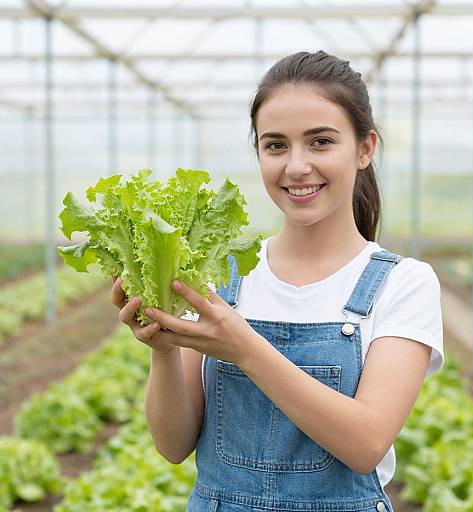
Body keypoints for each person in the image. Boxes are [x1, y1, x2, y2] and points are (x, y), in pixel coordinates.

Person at [111, 50, 444, 512]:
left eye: (321, 142)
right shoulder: (225, 273)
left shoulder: (403, 283)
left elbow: (365, 442)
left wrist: (244, 347)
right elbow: (173, 444)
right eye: (276, 145)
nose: (296, 166)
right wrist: (164, 352)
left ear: (365, 149)